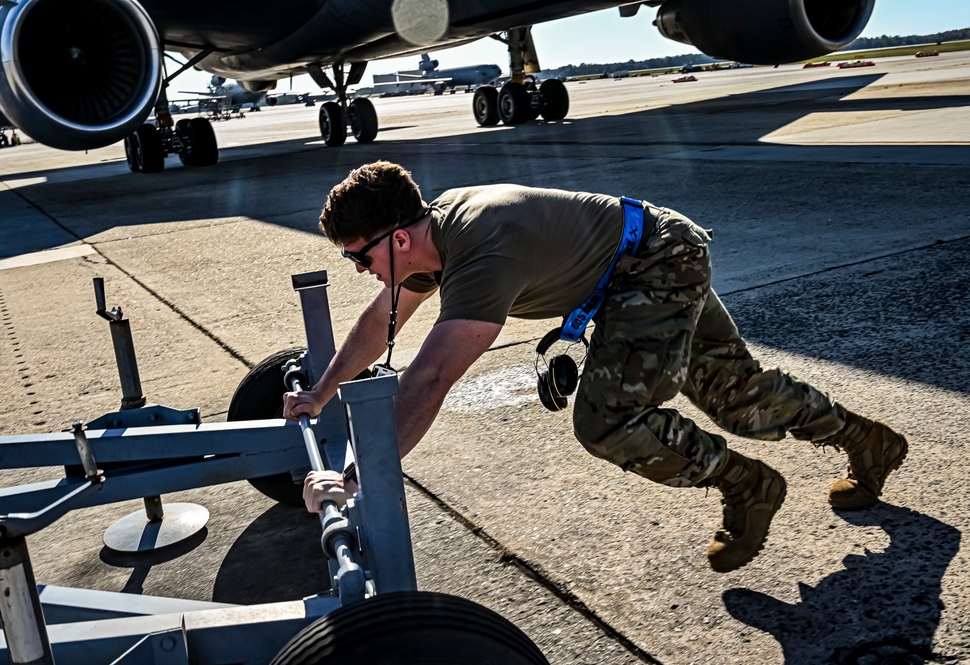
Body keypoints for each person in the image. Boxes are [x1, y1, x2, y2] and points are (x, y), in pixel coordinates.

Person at [283, 161, 907, 573]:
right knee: (739, 394)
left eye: (358, 259)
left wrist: (356, 479)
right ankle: (869, 441)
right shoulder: (427, 240)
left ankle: (750, 484)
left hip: (657, 259)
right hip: (633, 265)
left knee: (610, 421)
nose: (361, 272)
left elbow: (429, 380)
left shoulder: (482, 248)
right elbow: (377, 323)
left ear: (394, 238)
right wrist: (321, 391)